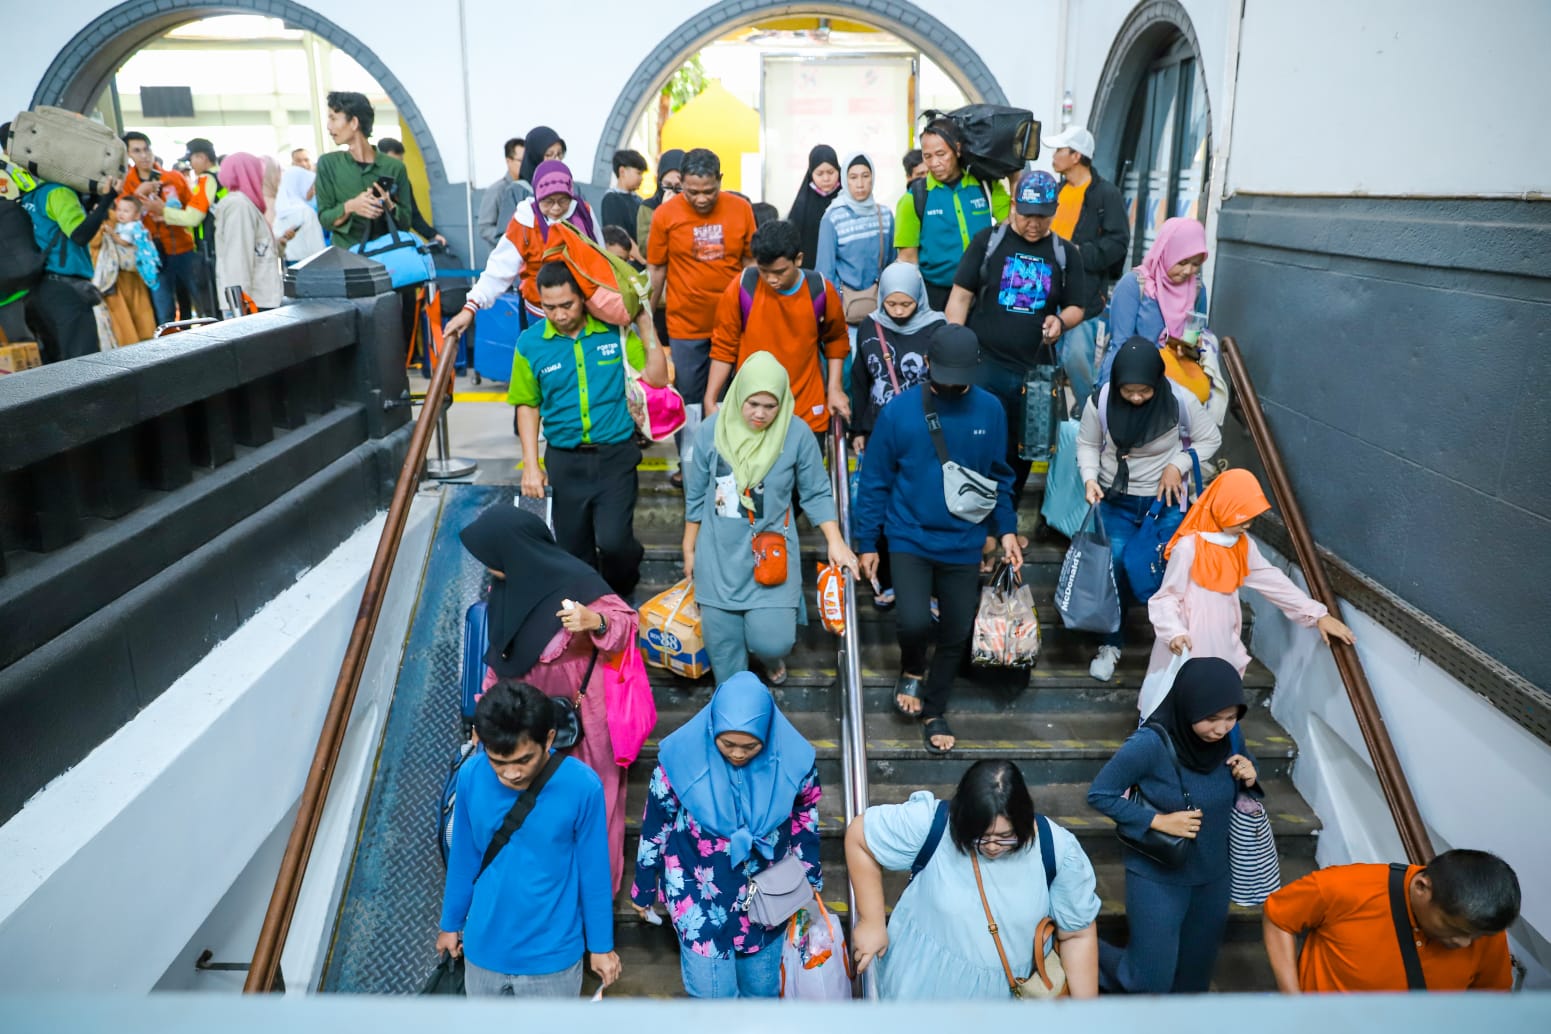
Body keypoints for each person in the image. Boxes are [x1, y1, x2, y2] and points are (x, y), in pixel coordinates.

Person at [852, 326, 1021, 753]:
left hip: (964, 541)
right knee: (912, 621)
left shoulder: (991, 410)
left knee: (955, 631)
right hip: (908, 534)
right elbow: (873, 480)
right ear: (927, 364)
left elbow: (1000, 476)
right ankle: (912, 667)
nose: (949, 382)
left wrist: (1006, 530)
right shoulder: (899, 411)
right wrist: (867, 542)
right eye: (942, 372)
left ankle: (934, 707)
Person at [460, 505, 642, 893]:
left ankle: (597, 903)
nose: (489, 567)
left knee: (597, 810)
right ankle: (557, 900)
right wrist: (484, 715)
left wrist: (595, 622)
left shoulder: (577, 582)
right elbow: (501, 657)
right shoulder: (505, 591)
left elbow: (626, 626)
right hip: (530, 726)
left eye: (493, 559)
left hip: (585, 724)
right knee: (544, 814)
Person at [630, 671, 823, 999]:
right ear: (711, 729)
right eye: (727, 743)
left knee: (760, 997)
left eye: (750, 746)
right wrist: (644, 887)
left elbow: (806, 819)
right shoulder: (678, 761)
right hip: (696, 891)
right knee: (712, 1005)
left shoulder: (796, 763)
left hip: (766, 893)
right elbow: (656, 826)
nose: (737, 753)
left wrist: (810, 881)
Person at [846, 759, 1101, 999]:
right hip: (921, 990)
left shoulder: (1056, 848)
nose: (991, 847)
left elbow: (1077, 935)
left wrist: (1086, 1020)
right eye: (978, 837)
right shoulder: (932, 822)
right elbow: (860, 835)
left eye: (1005, 837)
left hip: (1007, 999)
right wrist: (871, 921)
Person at [436, 680, 620, 997]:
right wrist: (450, 923)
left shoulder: (582, 786)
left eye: (523, 760)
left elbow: (594, 873)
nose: (512, 774)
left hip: (553, 956)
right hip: (483, 951)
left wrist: (601, 946)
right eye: (499, 762)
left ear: (548, 739)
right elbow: (464, 858)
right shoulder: (470, 776)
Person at [1087, 656, 1260, 993]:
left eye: (1230, 717)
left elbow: (1237, 779)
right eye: (1211, 719)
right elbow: (1100, 794)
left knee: (1193, 980)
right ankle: (1084, 953)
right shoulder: (1149, 744)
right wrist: (1158, 820)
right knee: (1148, 981)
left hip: (1213, 877)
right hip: (1158, 875)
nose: (1221, 728)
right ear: (1187, 706)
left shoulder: (1230, 736)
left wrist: (1250, 775)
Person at [684, 353, 857, 684]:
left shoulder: (796, 434)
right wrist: (689, 547)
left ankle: (767, 657)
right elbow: (695, 494)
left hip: (772, 554)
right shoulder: (710, 432)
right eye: (753, 404)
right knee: (725, 661)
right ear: (738, 396)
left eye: (770, 405)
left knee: (773, 641)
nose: (760, 414)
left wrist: (835, 540)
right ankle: (736, 716)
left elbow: (817, 492)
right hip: (719, 557)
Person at [504, 262, 667, 598]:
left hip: (615, 458)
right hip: (565, 462)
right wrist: (532, 466)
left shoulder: (613, 333)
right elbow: (527, 404)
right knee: (573, 550)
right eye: (550, 307)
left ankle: (620, 598)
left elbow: (657, 378)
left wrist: (645, 324)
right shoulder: (530, 344)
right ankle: (591, 606)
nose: (560, 315)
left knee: (615, 543)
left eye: (567, 305)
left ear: (582, 297)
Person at [1076, 337, 1221, 682]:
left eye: (1144, 390)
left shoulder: (1179, 400)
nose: (1137, 397)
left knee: (1167, 571)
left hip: (1165, 501)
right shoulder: (1101, 402)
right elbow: (1087, 443)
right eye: (1129, 391)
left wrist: (1179, 463)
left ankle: (1174, 644)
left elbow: (1210, 439)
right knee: (1115, 569)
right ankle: (1111, 643)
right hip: (1117, 500)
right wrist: (1089, 478)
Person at [946, 169, 1088, 506]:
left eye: (1043, 216)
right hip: (985, 365)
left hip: (1035, 373)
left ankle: (1005, 520)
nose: (1034, 224)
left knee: (1024, 448)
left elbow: (1077, 307)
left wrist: (1059, 321)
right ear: (1013, 206)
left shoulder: (1066, 253)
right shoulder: (988, 242)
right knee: (976, 441)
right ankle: (970, 511)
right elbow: (961, 296)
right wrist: (954, 346)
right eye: (1027, 215)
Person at [1149, 469, 1355, 683]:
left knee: (1217, 693)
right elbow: (1167, 596)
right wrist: (1174, 631)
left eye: (1251, 518)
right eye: (1240, 517)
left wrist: (1317, 614)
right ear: (1222, 507)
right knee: (1187, 693)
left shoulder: (1241, 545)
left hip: (1222, 635)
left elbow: (1271, 580)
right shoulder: (1188, 547)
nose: (1247, 525)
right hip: (1188, 638)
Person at [1262, 850, 1519, 993]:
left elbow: (1492, 998)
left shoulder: (1481, 927)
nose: (1465, 943)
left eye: (1474, 935)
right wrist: (1293, 1004)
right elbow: (1279, 917)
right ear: (1422, 887)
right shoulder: (1343, 887)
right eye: (1453, 928)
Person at [646, 147, 757, 464]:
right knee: (690, 400)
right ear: (680, 182)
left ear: (720, 181)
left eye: (709, 191)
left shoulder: (741, 209)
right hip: (686, 328)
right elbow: (656, 270)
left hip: (735, 325)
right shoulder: (665, 216)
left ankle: (731, 463)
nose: (702, 199)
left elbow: (751, 265)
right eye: (692, 192)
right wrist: (646, 323)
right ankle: (691, 463)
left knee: (733, 395)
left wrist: (755, 316)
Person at [849, 262, 944, 609]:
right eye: (892, 304)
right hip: (879, 428)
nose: (900, 312)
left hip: (925, 432)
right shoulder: (870, 326)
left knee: (922, 505)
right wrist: (858, 428)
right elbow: (861, 380)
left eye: (907, 304)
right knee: (882, 505)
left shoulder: (937, 327)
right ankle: (888, 579)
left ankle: (928, 585)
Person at [705, 219, 850, 436]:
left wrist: (835, 388)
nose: (772, 279)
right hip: (753, 411)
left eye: (780, 271)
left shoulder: (820, 291)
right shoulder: (743, 287)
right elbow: (723, 346)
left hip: (806, 410)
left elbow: (836, 340)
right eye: (764, 271)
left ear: (798, 259)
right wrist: (711, 397)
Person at [445, 159, 604, 334]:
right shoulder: (526, 221)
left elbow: (601, 260)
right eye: (548, 201)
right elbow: (499, 269)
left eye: (563, 200)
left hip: (582, 314)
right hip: (540, 316)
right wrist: (471, 307)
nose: (556, 208)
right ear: (537, 196)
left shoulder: (583, 213)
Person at [1044, 125, 1130, 408]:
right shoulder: (1056, 191)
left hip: (1085, 295)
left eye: (1059, 150)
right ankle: (1052, 422)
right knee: (1048, 362)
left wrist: (1080, 253)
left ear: (1076, 155)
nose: (1054, 156)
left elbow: (1118, 243)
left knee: (1076, 357)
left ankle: (1092, 411)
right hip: (1049, 292)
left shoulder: (1106, 194)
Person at [894, 118, 1011, 311]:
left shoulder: (985, 185)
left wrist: (1014, 178)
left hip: (983, 292)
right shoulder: (913, 198)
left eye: (941, 154)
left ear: (957, 149)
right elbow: (908, 261)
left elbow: (1013, 224)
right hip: (936, 298)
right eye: (927, 156)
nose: (934, 163)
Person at [1100, 216, 1212, 396]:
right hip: (1138, 388)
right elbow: (1119, 347)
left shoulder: (1197, 290)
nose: (1188, 271)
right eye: (1182, 262)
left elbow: (1199, 344)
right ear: (1165, 251)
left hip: (1179, 388)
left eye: (1195, 264)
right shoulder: (1134, 286)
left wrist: (1197, 347)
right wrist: (1107, 396)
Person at [16, 165, 116, 362]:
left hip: (37, 291)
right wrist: (107, 200)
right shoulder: (58, 191)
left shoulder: (29, 198)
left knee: (56, 364)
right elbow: (79, 234)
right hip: (65, 290)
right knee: (82, 363)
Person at [121, 131, 211, 323]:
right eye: (137, 151)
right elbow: (122, 218)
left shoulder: (173, 178)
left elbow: (192, 209)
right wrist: (138, 194)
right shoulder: (127, 185)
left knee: (204, 305)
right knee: (165, 313)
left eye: (146, 149)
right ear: (129, 155)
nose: (144, 155)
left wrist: (169, 214)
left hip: (185, 249)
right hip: (153, 256)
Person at [313, 91, 412, 251]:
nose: (328, 126)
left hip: (387, 258)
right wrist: (351, 206)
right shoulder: (328, 164)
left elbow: (407, 222)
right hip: (347, 260)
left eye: (333, 118)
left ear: (353, 122)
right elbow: (325, 219)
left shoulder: (395, 167)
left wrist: (390, 205)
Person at [815, 153, 896, 322]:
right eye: (853, 177)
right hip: (843, 308)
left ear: (873, 178)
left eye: (865, 176)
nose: (860, 184)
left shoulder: (885, 215)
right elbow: (825, 270)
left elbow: (891, 263)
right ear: (845, 180)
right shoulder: (833, 217)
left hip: (880, 308)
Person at [209, 153, 281, 316]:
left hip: (255, 300)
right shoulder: (239, 206)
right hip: (251, 304)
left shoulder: (245, 204)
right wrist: (240, 309)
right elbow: (238, 258)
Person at [91, 194, 158, 346]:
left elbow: (95, 242)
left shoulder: (111, 222)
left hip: (116, 280)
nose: (122, 213)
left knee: (126, 330)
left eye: (126, 211)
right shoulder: (124, 221)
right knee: (141, 323)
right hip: (130, 278)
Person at [375, 137, 447, 246]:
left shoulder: (402, 181)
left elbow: (412, 214)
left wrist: (432, 235)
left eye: (399, 163)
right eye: (393, 163)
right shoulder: (365, 178)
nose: (396, 168)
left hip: (394, 242)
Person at [786, 144, 842, 271]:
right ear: (811, 174)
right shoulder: (802, 205)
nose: (826, 178)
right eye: (820, 173)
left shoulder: (846, 199)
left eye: (831, 172)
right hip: (809, 272)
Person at [477, 136, 526, 249]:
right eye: (520, 161)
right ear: (508, 161)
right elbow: (484, 228)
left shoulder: (530, 189)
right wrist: (510, 240)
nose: (525, 165)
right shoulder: (496, 190)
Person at [272, 165, 326, 264]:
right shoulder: (306, 211)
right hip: (308, 265)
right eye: (310, 186)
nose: (313, 191)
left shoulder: (279, 210)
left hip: (288, 264)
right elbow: (318, 247)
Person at [633, 148, 683, 256]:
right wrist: (664, 214)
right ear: (659, 181)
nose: (672, 192)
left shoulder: (695, 205)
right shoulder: (648, 207)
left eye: (679, 187)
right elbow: (646, 250)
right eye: (667, 186)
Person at [601, 149, 648, 245]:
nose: (641, 178)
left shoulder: (639, 200)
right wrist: (643, 260)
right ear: (622, 171)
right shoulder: (611, 199)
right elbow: (619, 237)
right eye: (638, 173)